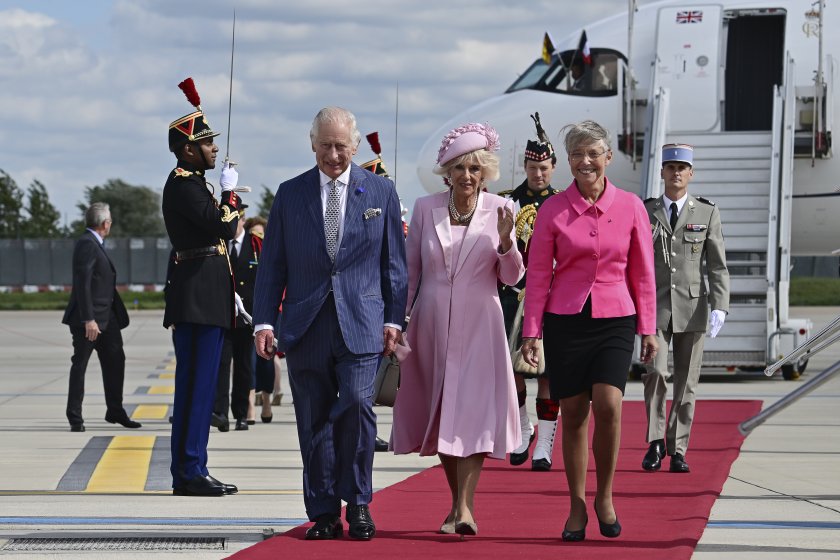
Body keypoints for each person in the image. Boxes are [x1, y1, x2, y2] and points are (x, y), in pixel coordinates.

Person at [252, 107, 408, 541]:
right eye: (325, 145)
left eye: (341, 146)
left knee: (357, 405)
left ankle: (357, 502)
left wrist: (394, 318)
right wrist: (263, 321)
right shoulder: (290, 194)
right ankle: (323, 511)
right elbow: (272, 265)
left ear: (354, 146)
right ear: (312, 144)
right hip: (306, 324)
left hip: (362, 321)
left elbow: (394, 265)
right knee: (313, 418)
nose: (334, 154)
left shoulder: (380, 191)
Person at [520, 120, 658, 541]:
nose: (585, 161)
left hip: (616, 316)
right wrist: (531, 332)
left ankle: (606, 496)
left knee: (610, 405)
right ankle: (577, 503)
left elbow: (643, 272)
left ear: (608, 157)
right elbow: (538, 274)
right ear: (568, 160)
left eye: (593, 153)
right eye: (577, 154)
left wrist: (648, 328)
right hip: (566, 319)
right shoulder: (552, 210)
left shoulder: (631, 206)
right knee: (575, 412)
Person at [391, 122, 524, 537]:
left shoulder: (502, 209)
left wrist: (507, 242)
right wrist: (397, 321)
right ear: (447, 172)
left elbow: (512, 277)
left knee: (473, 413)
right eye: (460, 168)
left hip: (481, 325)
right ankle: (457, 504)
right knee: (441, 412)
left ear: (486, 172)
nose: (467, 175)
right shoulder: (425, 207)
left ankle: (464, 507)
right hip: (431, 325)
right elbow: (410, 272)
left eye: (475, 168)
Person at [162, 78, 242, 497]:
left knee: (199, 387)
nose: (214, 149)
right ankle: (191, 470)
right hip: (198, 298)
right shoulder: (183, 184)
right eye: (207, 143)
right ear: (188, 149)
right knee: (198, 388)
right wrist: (230, 194)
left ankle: (190, 469)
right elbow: (221, 227)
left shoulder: (192, 184)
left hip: (203, 296)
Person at [641, 144, 730, 474]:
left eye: (682, 168)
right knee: (654, 373)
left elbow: (717, 265)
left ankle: (678, 448)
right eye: (670, 167)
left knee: (686, 382)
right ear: (662, 172)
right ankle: (655, 442)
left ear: (691, 174)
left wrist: (720, 305)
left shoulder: (706, 212)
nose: (676, 173)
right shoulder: (646, 211)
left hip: (692, 307)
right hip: (656, 306)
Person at [498, 113, 561, 471]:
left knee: (548, 373)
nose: (538, 174)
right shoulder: (507, 202)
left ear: (553, 168)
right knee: (514, 371)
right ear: (524, 166)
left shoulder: (563, 203)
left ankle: (545, 443)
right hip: (513, 296)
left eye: (544, 168)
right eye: (533, 168)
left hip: (552, 298)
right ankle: (523, 429)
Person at [63, 202, 138, 432]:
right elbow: (83, 283)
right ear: (105, 224)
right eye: (110, 221)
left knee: (116, 361)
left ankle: (115, 410)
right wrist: (89, 319)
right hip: (90, 320)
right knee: (80, 365)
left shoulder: (96, 243)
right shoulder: (87, 243)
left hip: (107, 317)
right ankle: (75, 416)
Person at [212, 204, 260, 432]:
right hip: (222, 315)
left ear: (242, 220)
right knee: (221, 366)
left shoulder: (256, 245)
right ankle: (220, 413)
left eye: (234, 221)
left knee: (243, 368)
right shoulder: (218, 243)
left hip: (247, 318)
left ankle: (240, 414)